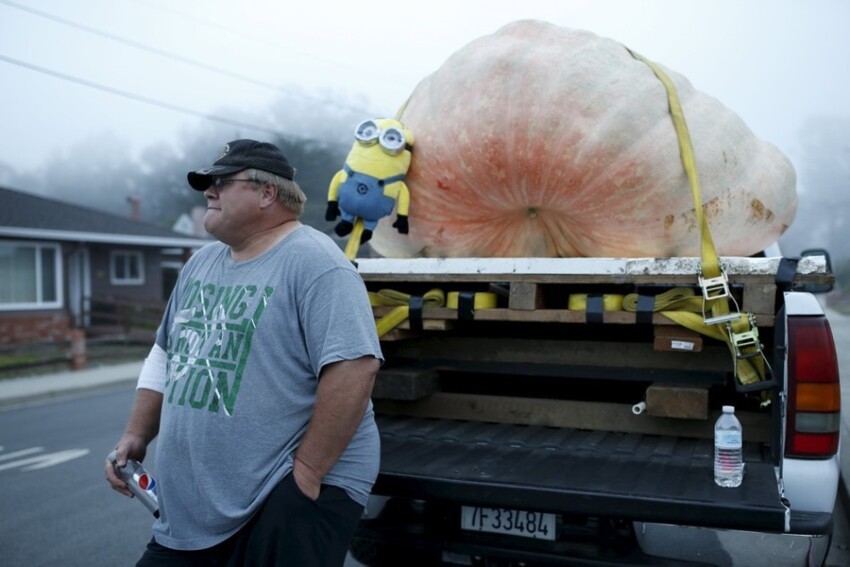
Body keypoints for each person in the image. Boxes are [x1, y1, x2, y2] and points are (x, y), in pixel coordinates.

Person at [105, 139, 383, 566]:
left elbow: (354, 369)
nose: (209, 192)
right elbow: (164, 354)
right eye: (208, 184)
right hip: (196, 513)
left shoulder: (316, 263)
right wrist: (136, 435)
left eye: (221, 182)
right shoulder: (200, 264)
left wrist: (306, 476)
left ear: (267, 193)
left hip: (286, 494)